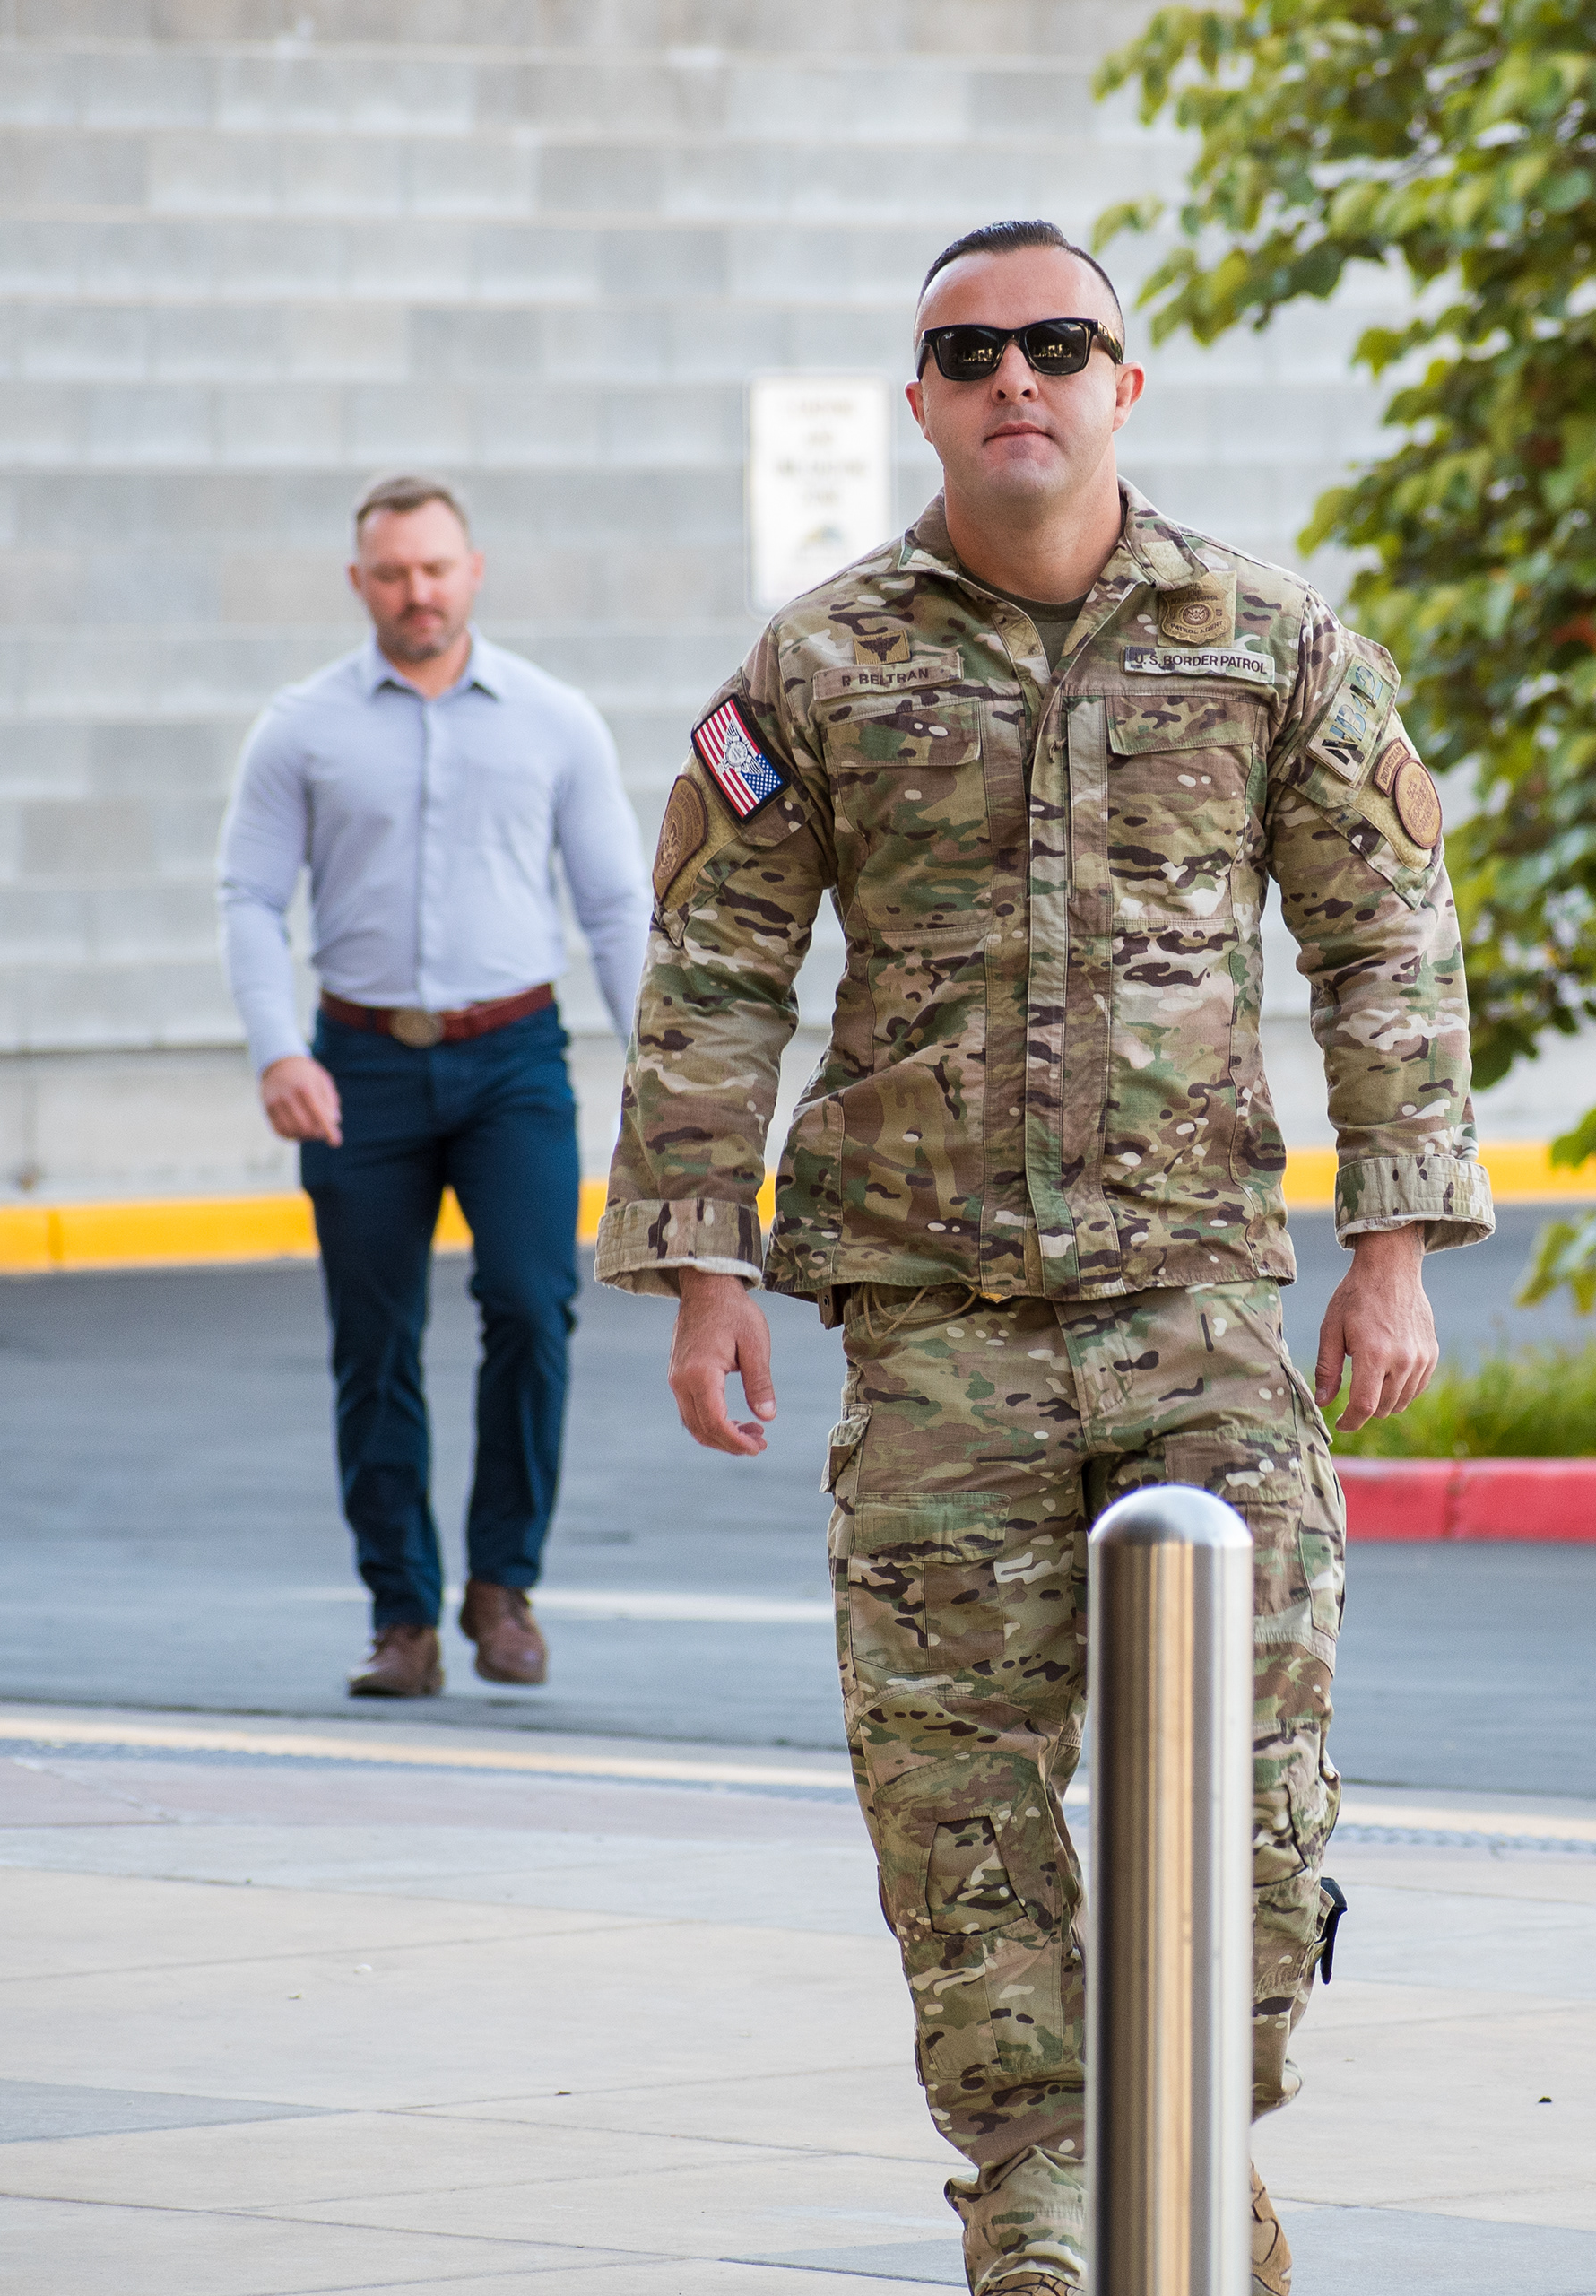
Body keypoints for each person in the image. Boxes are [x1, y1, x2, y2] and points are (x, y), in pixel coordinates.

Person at [596, 220, 1490, 2295]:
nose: (1019, 378)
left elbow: (1385, 936)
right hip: (933, 1333)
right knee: (956, 1808)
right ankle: (1045, 2205)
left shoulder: (1270, 638)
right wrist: (701, 1264)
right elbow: (718, 967)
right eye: (972, 349)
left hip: (1198, 1309)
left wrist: (1393, 1241)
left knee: (1258, 1817)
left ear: (1123, 384)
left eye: (1059, 343)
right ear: (920, 398)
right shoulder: (819, 664)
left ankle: (1189, 2155)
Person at [219, 474, 647, 1699]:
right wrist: (276, 1051)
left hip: (515, 1058)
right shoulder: (299, 729)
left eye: (437, 569)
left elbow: (614, 904)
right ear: (361, 584)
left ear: (475, 571)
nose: (419, 592)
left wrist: (656, 1070)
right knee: (376, 1344)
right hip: (356, 1066)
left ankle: (503, 1589)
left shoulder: (555, 721)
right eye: (394, 573)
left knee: (530, 1305)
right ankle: (402, 1616)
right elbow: (249, 897)